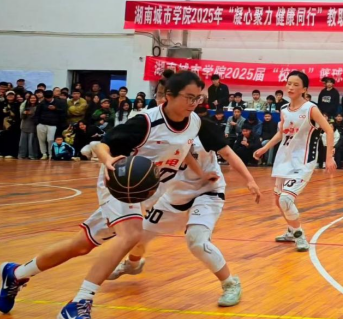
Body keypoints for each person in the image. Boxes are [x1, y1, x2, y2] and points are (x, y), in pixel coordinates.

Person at [0, 71, 209, 319]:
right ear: (169, 96)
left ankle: (16, 274)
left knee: (80, 245)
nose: (194, 103)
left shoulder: (194, 121)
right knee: (131, 234)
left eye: (198, 98)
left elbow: (183, 150)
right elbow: (101, 146)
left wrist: (201, 175)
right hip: (119, 184)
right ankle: (79, 303)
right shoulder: (145, 122)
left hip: (145, 194)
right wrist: (108, 161)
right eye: (189, 97)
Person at [108, 109, 261, 308]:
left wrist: (250, 180)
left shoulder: (204, 127)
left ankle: (230, 283)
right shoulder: (161, 129)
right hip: (175, 192)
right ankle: (133, 264)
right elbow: (185, 154)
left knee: (196, 240)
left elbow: (228, 154)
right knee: (138, 236)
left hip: (208, 190)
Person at [253, 71, 336, 253]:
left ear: (304, 89)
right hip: (284, 159)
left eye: (295, 84)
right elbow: (281, 133)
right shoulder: (284, 109)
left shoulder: (310, 109)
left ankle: (299, 235)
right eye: (289, 83)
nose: (290, 87)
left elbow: (329, 130)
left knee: (285, 199)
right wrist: (265, 148)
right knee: (278, 201)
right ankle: (291, 231)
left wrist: (329, 156)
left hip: (303, 161)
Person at [35, 90, 66, 160]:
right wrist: (37, 122)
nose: (48, 99)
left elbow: (63, 111)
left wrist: (55, 109)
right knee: (41, 140)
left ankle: (51, 154)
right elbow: (37, 113)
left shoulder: (59, 102)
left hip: (53, 124)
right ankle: (44, 153)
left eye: (49, 98)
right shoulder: (42, 103)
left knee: (50, 140)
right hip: (42, 124)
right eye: (47, 98)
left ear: (52, 96)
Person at [19, 95, 39, 160]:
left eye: (34, 98)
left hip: (33, 126)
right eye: (31, 98)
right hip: (24, 125)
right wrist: (24, 113)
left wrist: (32, 114)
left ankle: (32, 155)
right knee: (23, 142)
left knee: (31, 142)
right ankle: (22, 155)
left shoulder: (38, 107)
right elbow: (21, 117)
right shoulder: (26, 106)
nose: (32, 99)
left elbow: (38, 117)